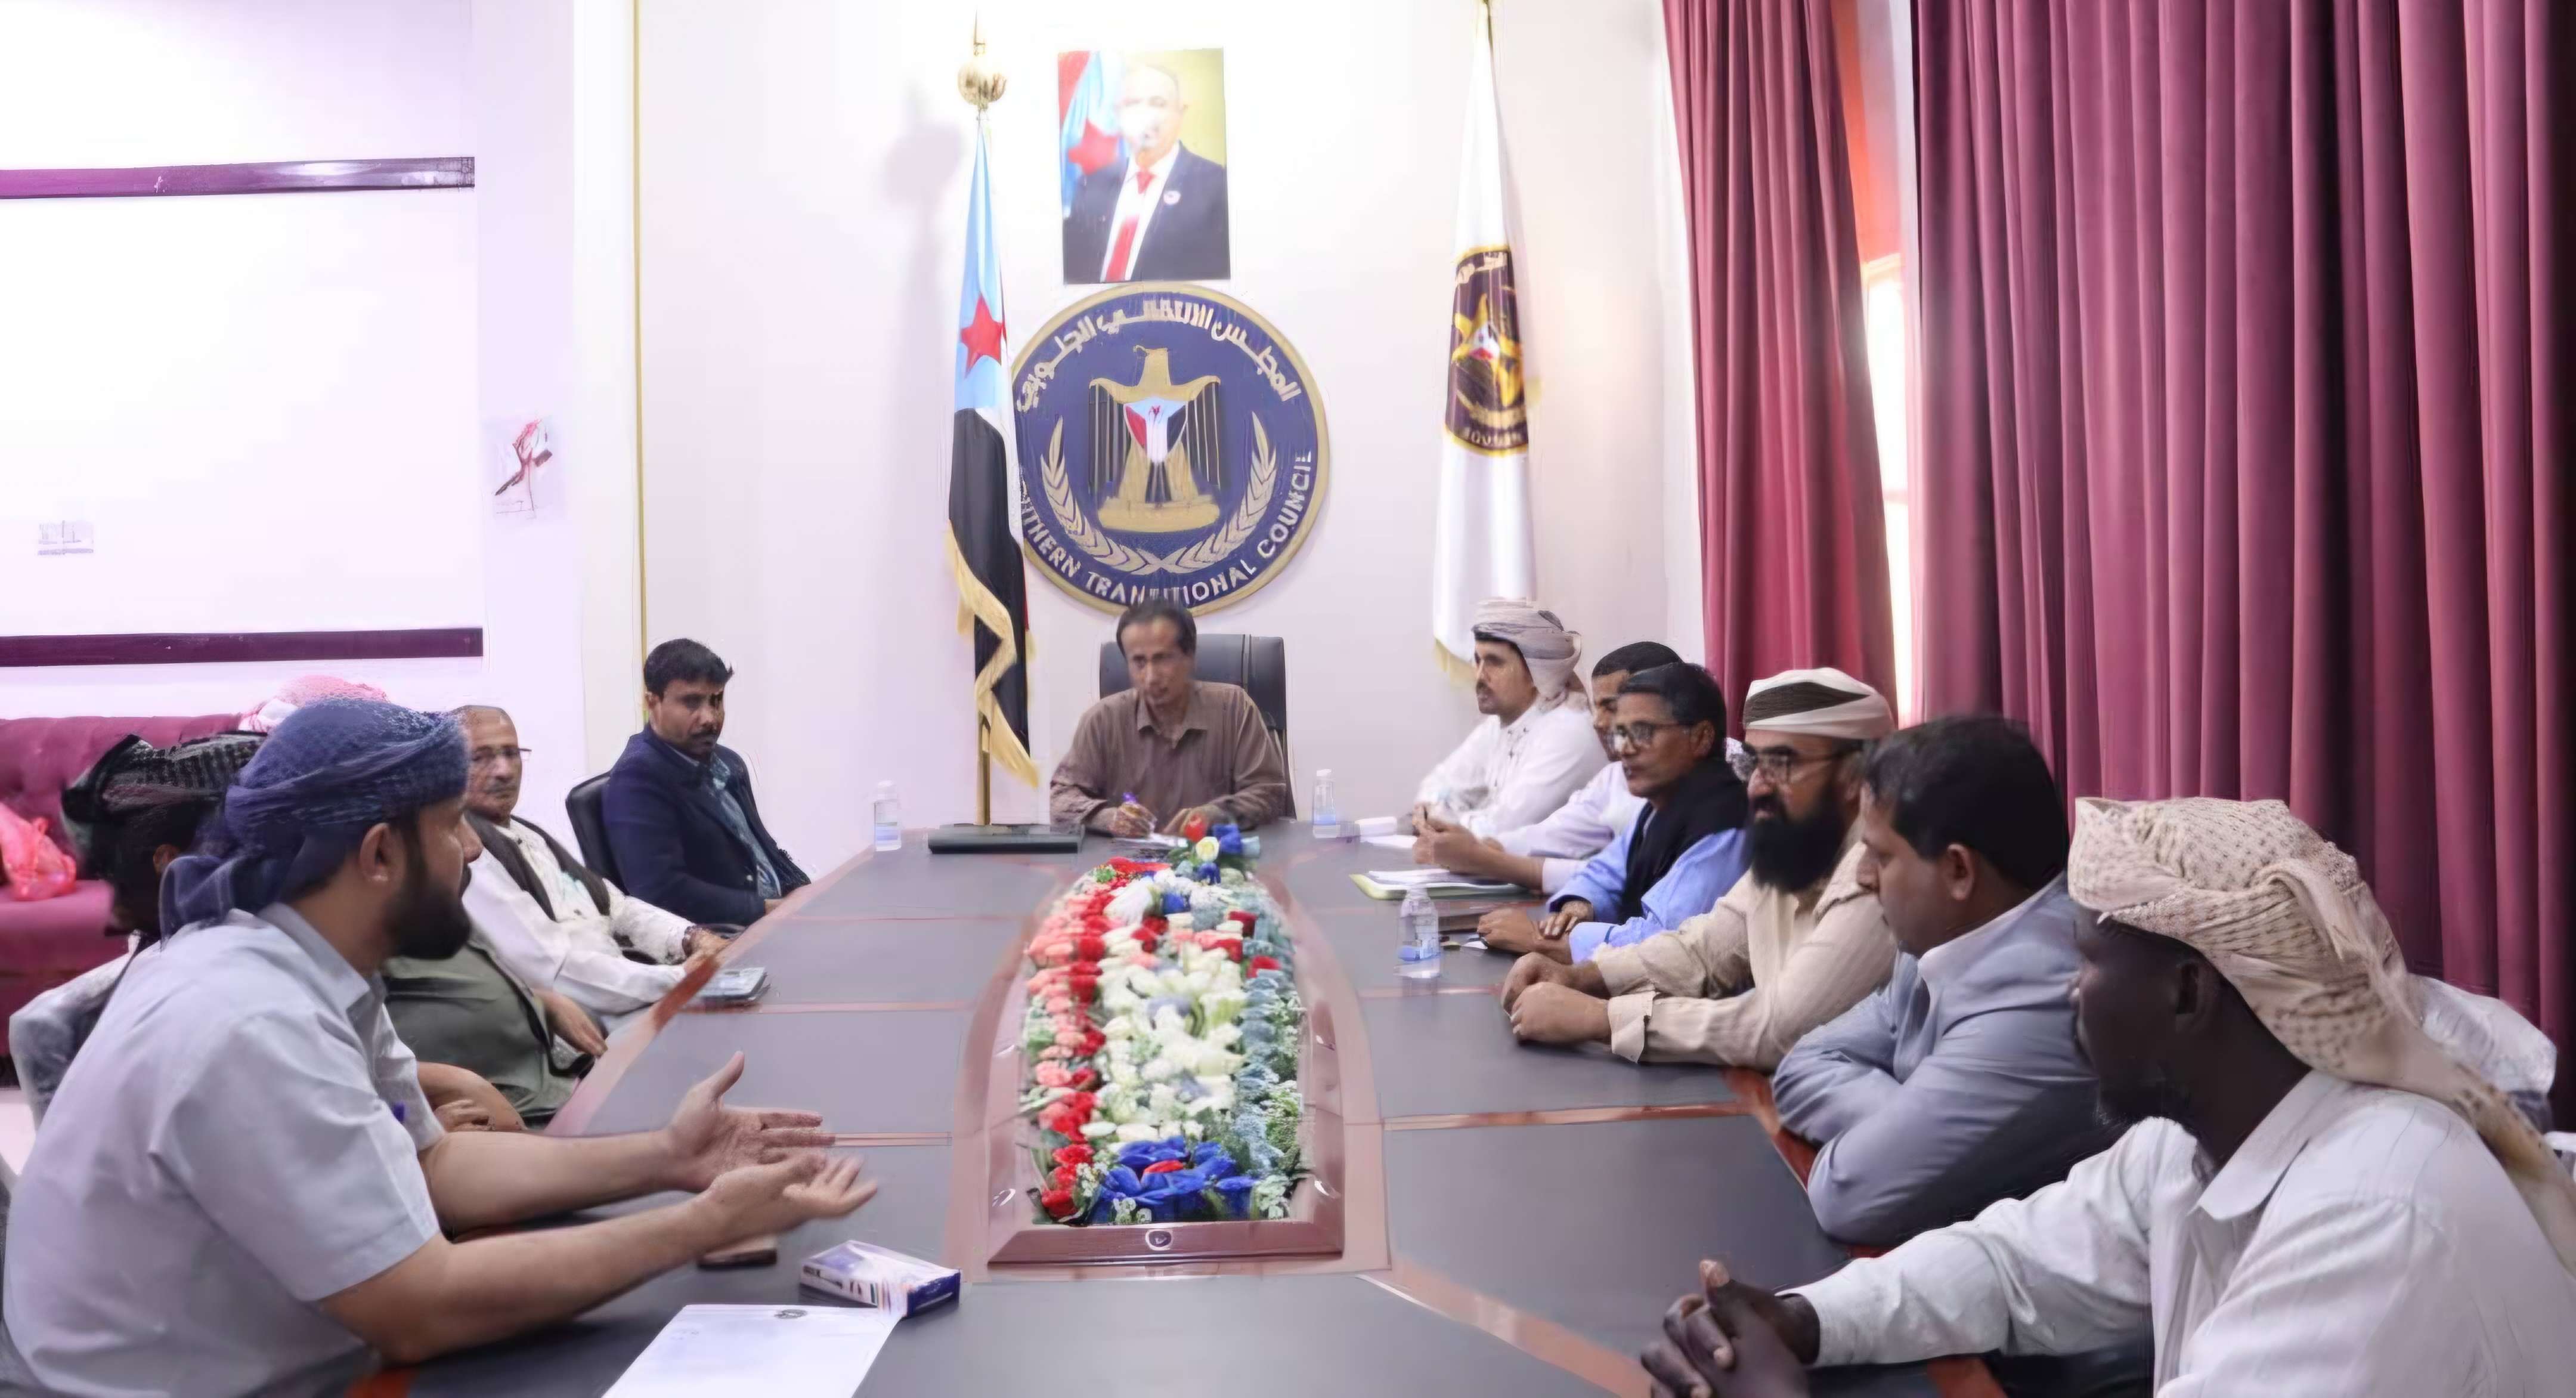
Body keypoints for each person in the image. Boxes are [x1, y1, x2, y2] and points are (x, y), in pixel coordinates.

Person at [2, 700, 872, 1395]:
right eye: (452, 825)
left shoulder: (313, 964)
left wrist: (671, 1157)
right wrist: (702, 1225)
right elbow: (421, 1308)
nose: (471, 850)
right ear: (380, 853)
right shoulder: (248, 1021)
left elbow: (434, 1162)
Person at [1639, 797, 2576, 1398]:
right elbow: (2014, 1265)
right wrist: (1804, 1321)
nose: (2067, 992)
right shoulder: (2202, 1133)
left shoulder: (2374, 1214)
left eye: (2086, 960)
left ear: (2188, 993)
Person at [17, 731, 518, 1136]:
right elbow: (304, 1148)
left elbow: (364, 1100)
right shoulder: (201, 1006)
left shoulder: (313, 952)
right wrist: (410, 1136)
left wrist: (419, 1125)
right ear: (175, 864)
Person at [1768, 716, 2113, 1245]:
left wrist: (1905, 1132)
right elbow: (1800, 1067)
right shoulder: (1938, 942)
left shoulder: (2045, 991)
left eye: (1881, 855)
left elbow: (1849, 1193)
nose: (1862, 876)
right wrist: (1908, 1117)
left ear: (1958, 871)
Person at [1498, 667, 1896, 1068]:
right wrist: (1581, 976)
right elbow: (1705, 949)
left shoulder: (1880, 870)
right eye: (1755, 764)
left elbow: (1783, 1027)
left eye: (1782, 764)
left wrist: (1600, 1018)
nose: (1757, 786)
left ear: (1855, 775)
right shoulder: (1795, 840)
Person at [456, 704, 724, 1022]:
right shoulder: (470, 857)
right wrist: (678, 978)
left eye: (511, 753)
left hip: (634, 988)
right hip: (592, 1017)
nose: (504, 770)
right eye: (481, 757)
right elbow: (556, 969)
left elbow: (617, 907)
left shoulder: (530, 836)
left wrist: (689, 937)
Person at [1475, 663, 1750, 966]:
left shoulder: (1726, 825)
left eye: (1642, 732)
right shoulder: (1659, 808)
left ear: (1700, 738)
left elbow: (1666, 944)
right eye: (1621, 733)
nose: (1624, 750)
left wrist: (1543, 940)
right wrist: (1579, 907)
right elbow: (1605, 872)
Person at [1411, 641, 1680, 895]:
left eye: (1612, 708)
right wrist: (1474, 846)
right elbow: (1553, 834)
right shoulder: (1614, 776)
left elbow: (1625, 876)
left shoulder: (1569, 729)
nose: (1597, 722)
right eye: (1597, 707)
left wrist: (1480, 857)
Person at [603, 638, 810, 926]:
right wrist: (767, 909)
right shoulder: (637, 779)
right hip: (728, 936)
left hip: (775, 919)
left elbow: (762, 851)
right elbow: (661, 892)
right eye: (691, 702)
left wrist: (806, 894)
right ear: (653, 703)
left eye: (716, 700)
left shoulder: (728, 762)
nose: (710, 718)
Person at [1048, 598, 1291, 836]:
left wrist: (1216, 815)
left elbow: (1268, 793)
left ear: (1190, 657)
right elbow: (1061, 800)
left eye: (1163, 659)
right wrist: (1107, 818)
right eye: (1139, 662)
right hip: (1127, 859)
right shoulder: (1102, 720)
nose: (1151, 677)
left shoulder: (1234, 708)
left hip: (1215, 855)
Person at [1410, 598, 1604, 839]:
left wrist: (1440, 819)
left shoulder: (1569, 731)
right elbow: (1436, 786)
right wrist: (1436, 812)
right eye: (1478, 660)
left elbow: (1501, 829)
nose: (1480, 676)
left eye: (1494, 663)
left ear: (1535, 672)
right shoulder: (1500, 725)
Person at [1061, 61, 1231, 283]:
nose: (1145, 115)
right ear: (1118, 114)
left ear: (1180, 113)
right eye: (1133, 104)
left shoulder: (1218, 187)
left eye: (1158, 104)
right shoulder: (1091, 184)